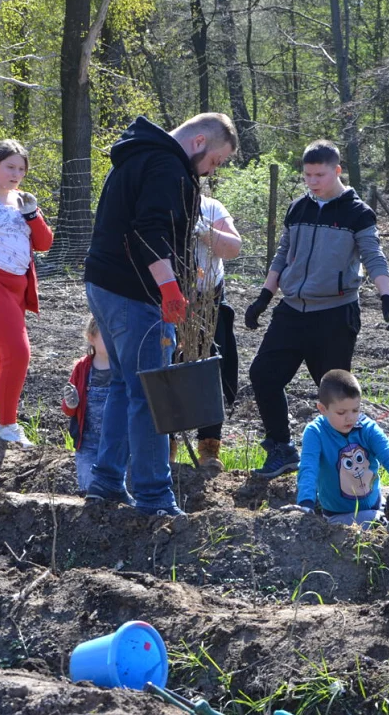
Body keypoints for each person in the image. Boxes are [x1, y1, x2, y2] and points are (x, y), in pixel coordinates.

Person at [82, 112, 238, 517]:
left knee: (122, 384)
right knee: (150, 395)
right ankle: (153, 496)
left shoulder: (137, 153)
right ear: (200, 142)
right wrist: (169, 287)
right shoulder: (167, 165)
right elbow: (150, 231)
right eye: (214, 162)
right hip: (135, 293)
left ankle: (106, 482)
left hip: (102, 282)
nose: (209, 172)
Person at [244, 139, 389, 479]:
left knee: (336, 396)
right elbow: (283, 253)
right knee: (263, 375)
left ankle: (342, 467)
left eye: (320, 175)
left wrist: (387, 296)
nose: (313, 181)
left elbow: (374, 256)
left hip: (334, 315)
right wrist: (264, 296)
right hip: (291, 311)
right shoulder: (299, 207)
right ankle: (281, 448)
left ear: (337, 171)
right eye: (308, 175)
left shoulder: (357, 213)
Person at [0, 140, 54, 447]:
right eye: (10, 167)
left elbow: (43, 243)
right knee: (18, 352)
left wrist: (32, 215)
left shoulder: (23, 200)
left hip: (19, 286)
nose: (16, 174)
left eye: (21, 169)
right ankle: (8, 426)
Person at [283, 370, 389, 533]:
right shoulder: (315, 432)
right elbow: (308, 469)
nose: (350, 418)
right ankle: (385, 526)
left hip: (376, 505)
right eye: (341, 412)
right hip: (339, 516)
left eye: (355, 410)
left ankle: (383, 520)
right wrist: (306, 505)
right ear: (322, 409)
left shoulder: (367, 428)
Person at [173, 192, 242, 473]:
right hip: (170, 302)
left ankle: (209, 445)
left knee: (212, 369)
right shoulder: (161, 200)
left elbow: (233, 247)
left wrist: (207, 233)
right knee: (168, 369)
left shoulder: (211, 206)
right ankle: (166, 442)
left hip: (209, 303)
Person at [62, 316, 112, 492]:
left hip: (116, 444)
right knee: (89, 489)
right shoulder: (82, 368)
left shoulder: (122, 367)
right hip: (87, 444)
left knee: (117, 490)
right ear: (91, 338)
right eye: (106, 335)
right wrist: (71, 402)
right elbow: (69, 410)